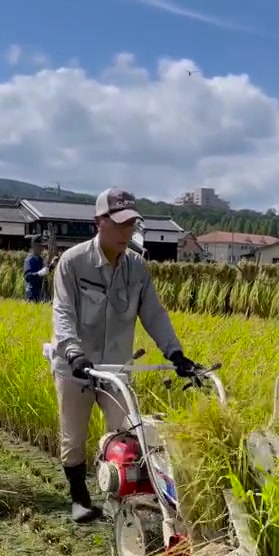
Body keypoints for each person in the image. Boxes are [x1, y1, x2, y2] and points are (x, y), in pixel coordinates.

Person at [46, 187, 202, 523]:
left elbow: (154, 315)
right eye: (118, 224)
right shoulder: (73, 263)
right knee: (73, 438)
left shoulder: (137, 269)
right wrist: (73, 352)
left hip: (116, 367)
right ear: (98, 222)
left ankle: (124, 503)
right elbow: (63, 313)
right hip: (76, 367)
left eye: (131, 223)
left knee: (127, 435)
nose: (125, 231)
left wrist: (176, 354)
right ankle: (80, 499)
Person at [24, 236, 58, 302]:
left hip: (41, 294)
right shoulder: (29, 260)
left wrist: (52, 265)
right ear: (33, 245)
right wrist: (40, 273)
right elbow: (28, 277)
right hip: (32, 295)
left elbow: (45, 271)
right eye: (39, 246)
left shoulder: (40, 260)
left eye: (41, 246)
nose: (41, 248)